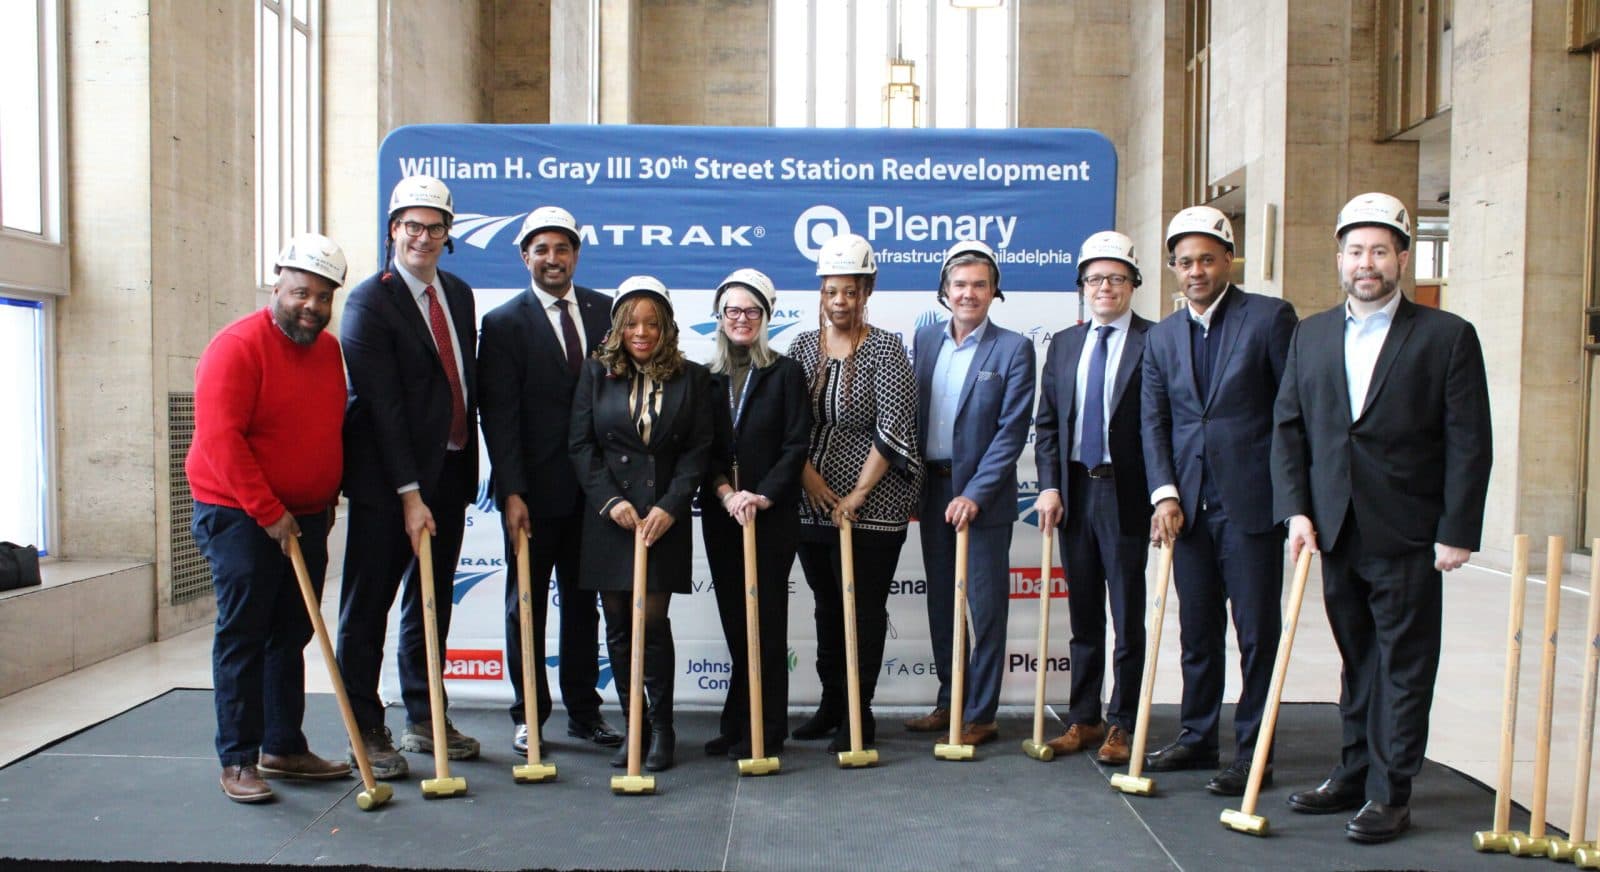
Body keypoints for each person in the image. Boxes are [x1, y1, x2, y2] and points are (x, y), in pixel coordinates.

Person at [1272, 192, 1491, 843]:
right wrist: (1296, 512)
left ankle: (1390, 791)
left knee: (1404, 663)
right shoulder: (1310, 334)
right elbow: (1290, 430)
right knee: (1356, 659)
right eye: (1354, 251)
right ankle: (1352, 771)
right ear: (1340, 259)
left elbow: (1469, 439)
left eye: (1379, 251)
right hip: (1334, 529)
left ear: (1402, 257)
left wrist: (1458, 528)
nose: (1366, 263)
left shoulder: (1446, 336)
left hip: (1409, 531)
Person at [187, 234, 354, 802]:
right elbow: (219, 441)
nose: (311, 305)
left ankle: (282, 746)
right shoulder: (236, 346)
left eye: (323, 297)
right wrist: (268, 511)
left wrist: (323, 498)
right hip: (238, 515)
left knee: (291, 630)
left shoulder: (328, 351)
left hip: (306, 516)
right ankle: (237, 758)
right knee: (244, 633)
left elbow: (326, 429)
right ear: (277, 284)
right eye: (301, 292)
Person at [1140, 205, 1298, 795]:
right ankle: (1197, 735)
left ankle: (1255, 752)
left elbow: (1291, 412)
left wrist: (1292, 499)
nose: (1196, 271)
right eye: (1185, 262)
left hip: (1252, 503)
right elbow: (1154, 423)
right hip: (1187, 507)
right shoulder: (1161, 336)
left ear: (1228, 259)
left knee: (1256, 633)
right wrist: (1164, 493)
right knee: (1197, 630)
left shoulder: (1269, 319)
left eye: (1207, 259)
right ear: (1173, 269)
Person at [335, 175, 480, 779]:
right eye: (412, 226)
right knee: (368, 607)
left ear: (449, 234)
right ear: (393, 229)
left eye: (435, 227)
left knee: (431, 602)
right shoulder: (371, 301)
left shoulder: (460, 293)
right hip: (388, 485)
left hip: (448, 471)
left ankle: (424, 716)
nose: (423, 237)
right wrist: (408, 494)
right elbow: (383, 408)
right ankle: (365, 727)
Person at [478, 205, 621, 755]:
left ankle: (585, 713)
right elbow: (499, 414)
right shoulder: (503, 323)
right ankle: (529, 715)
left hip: (595, 495)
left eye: (562, 249)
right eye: (542, 249)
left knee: (585, 606)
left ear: (576, 254)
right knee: (527, 606)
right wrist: (511, 491)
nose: (553, 259)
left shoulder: (605, 312)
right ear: (525, 256)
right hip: (532, 497)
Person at [569, 276, 714, 773]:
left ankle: (664, 729)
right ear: (618, 325)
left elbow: (698, 452)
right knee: (617, 630)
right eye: (632, 322)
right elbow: (581, 445)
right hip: (611, 522)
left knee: (651, 625)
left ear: (667, 326)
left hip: (662, 522)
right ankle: (636, 727)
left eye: (652, 322)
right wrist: (609, 501)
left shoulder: (691, 378)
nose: (642, 331)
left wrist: (672, 506)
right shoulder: (596, 372)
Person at [789, 233, 922, 752]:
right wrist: (811, 479)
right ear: (820, 293)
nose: (840, 301)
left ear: (867, 291)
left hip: (873, 505)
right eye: (831, 291)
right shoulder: (802, 347)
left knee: (863, 608)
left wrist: (859, 492)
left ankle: (857, 713)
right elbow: (790, 423)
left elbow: (894, 427)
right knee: (826, 605)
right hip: (813, 501)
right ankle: (829, 704)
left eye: (850, 291)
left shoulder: (886, 348)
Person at [904, 240, 1035, 746]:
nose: (969, 293)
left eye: (980, 284)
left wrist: (975, 492)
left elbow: (1010, 432)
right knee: (942, 603)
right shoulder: (923, 340)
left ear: (994, 290)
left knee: (985, 606)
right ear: (944, 290)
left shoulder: (1013, 348)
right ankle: (949, 700)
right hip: (932, 493)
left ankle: (980, 713)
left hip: (982, 501)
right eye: (960, 284)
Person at [1031, 231, 1154, 765]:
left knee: (1127, 618)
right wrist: (1050, 486)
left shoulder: (1156, 340)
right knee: (1083, 616)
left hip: (1127, 496)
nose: (1105, 287)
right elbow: (1049, 424)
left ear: (1133, 284)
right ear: (1081, 287)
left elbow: (1160, 425)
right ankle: (1085, 717)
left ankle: (1123, 722)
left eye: (1116, 278)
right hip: (1076, 493)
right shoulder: (1065, 343)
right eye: (1095, 279)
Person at [699, 268, 811, 760]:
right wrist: (725, 492)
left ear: (766, 317)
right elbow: (701, 449)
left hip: (771, 516)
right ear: (720, 318)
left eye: (752, 311)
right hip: (724, 515)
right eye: (732, 311)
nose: (741, 319)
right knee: (734, 622)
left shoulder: (784, 373)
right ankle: (737, 721)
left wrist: (761, 495)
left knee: (765, 622)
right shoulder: (706, 379)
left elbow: (795, 445)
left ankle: (768, 727)